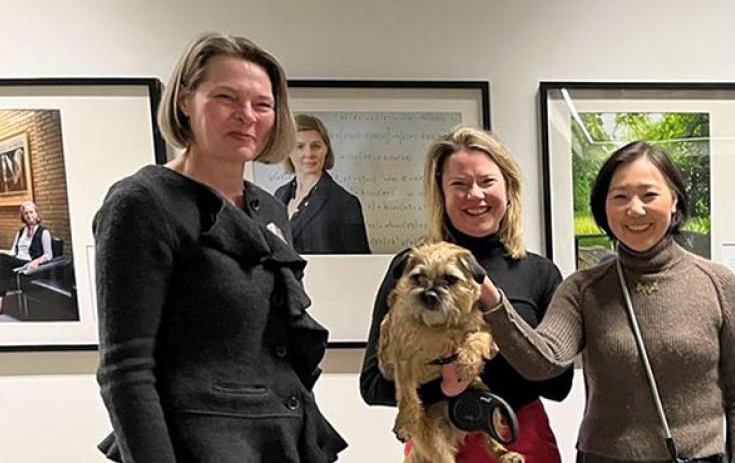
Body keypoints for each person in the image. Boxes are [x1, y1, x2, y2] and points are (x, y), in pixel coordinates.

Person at [93, 32, 346, 462]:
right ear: (185, 102)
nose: (246, 116)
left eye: (261, 104)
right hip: (198, 447)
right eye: (226, 97)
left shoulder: (267, 208)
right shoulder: (143, 203)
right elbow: (126, 371)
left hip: (285, 441)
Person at [479, 141, 735, 463]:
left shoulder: (717, 283)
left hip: (699, 457)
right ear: (604, 208)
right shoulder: (584, 289)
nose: (635, 209)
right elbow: (543, 362)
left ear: (674, 201)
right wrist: (492, 301)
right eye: (620, 197)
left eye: (649, 194)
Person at [360, 126, 573, 463]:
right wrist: (445, 385)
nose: (475, 195)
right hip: (436, 445)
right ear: (441, 194)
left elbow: (558, 386)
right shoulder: (410, 267)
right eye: (458, 184)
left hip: (518, 439)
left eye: (487, 182)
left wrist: (490, 342)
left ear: (508, 187)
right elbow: (372, 384)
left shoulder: (539, 272)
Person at [274, 113, 370, 254]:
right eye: (299, 146)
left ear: (326, 150)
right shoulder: (279, 195)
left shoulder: (345, 203)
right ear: (288, 151)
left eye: (316, 146)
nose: (309, 153)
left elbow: (359, 262)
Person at [0, 201, 54, 321]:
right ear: (23, 216)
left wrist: (36, 261)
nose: (29, 215)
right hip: (17, 261)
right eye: (26, 213)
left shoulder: (44, 232)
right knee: (1, 263)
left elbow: (49, 255)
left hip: (29, 264)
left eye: (31, 212)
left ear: (37, 214)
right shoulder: (21, 232)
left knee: (1, 261)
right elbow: (12, 252)